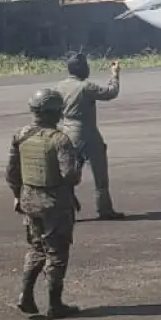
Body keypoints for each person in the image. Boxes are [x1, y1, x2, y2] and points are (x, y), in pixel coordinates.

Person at [6, 88, 83, 319]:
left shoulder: (20, 135)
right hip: (54, 204)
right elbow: (70, 176)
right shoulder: (60, 139)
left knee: (36, 248)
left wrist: (17, 196)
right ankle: (55, 304)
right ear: (56, 112)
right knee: (57, 252)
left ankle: (26, 295)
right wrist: (78, 162)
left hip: (29, 200)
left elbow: (11, 173)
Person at [57, 52, 124, 220]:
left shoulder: (60, 86)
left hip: (66, 131)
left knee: (68, 174)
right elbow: (110, 93)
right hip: (86, 132)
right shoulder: (85, 87)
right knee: (99, 172)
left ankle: (66, 210)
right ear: (81, 69)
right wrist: (115, 75)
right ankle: (104, 209)